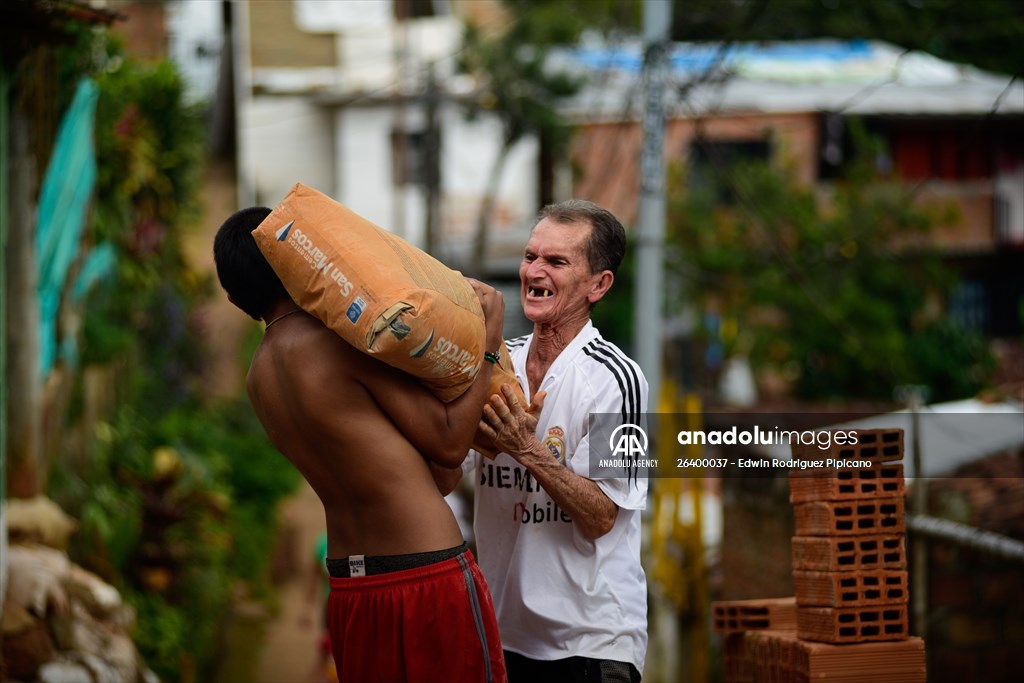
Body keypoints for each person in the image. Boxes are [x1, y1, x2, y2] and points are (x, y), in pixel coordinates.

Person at [213, 206, 508, 683]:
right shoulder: (337, 340)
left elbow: (399, 460)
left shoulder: (258, 381)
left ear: (233, 297)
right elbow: (450, 444)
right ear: (292, 257)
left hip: (352, 589)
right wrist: (490, 345)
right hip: (426, 577)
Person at [444, 200, 650, 682]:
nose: (534, 270)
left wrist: (527, 449)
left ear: (599, 285)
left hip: (591, 644)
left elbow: (602, 516)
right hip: (501, 637)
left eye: (556, 262)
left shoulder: (615, 378)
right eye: (530, 256)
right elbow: (447, 474)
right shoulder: (497, 366)